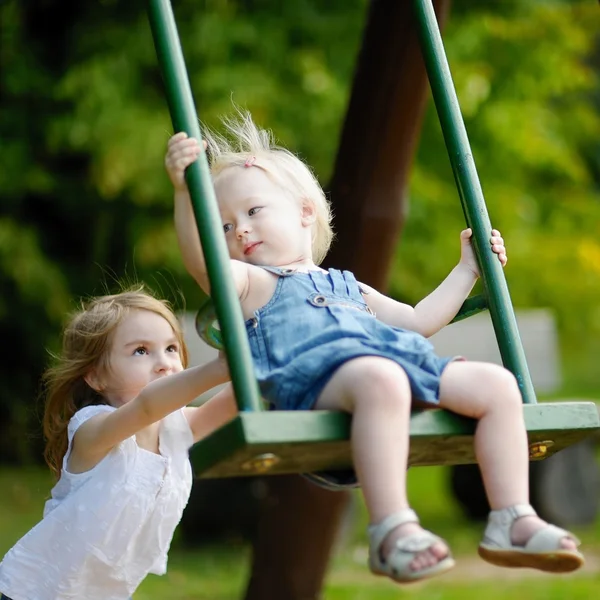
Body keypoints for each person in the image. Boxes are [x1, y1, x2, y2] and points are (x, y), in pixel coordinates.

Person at [164, 113, 584, 584]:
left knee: (497, 384)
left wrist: (467, 269)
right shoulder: (249, 283)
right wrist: (184, 194)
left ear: (304, 212)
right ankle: (391, 530)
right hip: (319, 381)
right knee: (380, 377)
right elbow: (203, 263)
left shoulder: (346, 285)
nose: (239, 230)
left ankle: (512, 519)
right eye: (222, 226)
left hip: (395, 369)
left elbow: (416, 321)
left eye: (253, 212)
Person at [0, 288, 236, 600]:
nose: (164, 363)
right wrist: (217, 369)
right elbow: (147, 407)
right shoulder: (93, 429)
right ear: (96, 377)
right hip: (29, 592)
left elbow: (238, 400)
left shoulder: (176, 427)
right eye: (141, 351)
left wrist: (272, 363)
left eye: (171, 348)